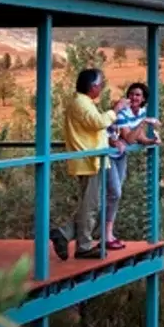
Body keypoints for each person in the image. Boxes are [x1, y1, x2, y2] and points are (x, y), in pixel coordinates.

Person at [50, 68, 127, 261]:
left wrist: (111, 141)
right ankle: (83, 246)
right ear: (93, 86)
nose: (101, 88)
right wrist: (115, 110)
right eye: (101, 84)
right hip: (89, 161)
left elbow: (93, 131)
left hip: (94, 160)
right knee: (90, 205)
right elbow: (97, 123)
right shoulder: (81, 104)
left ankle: (65, 233)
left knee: (91, 204)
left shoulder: (85, 103)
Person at [102, 81, 160, 250]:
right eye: (132, 94)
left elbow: (138, 137)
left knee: (115, 194)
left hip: (120, 155)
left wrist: (151, 141)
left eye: (138, 95)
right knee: (115, 193)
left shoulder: (140, 112)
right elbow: (129, 137)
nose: (134, 97)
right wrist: (144, 123)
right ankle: (104, 235)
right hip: (107, 154)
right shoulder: (122, 112)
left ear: (143, 99)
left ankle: (108, 234)